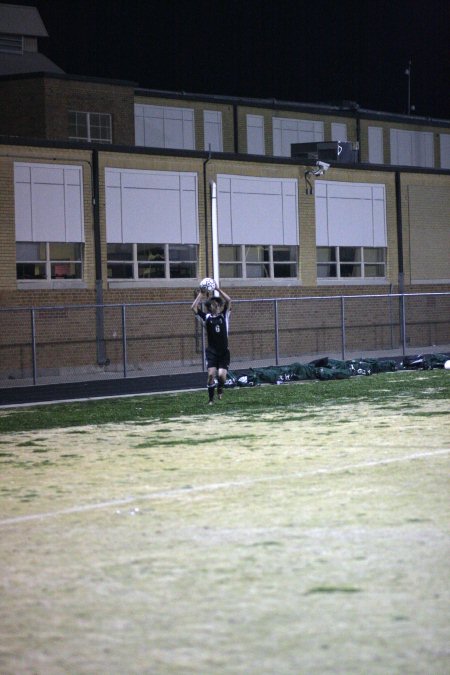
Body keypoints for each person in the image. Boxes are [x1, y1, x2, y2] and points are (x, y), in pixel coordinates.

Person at [191, 283, 232, 404]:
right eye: (213, 304)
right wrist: (201, 294)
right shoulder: (207, 317)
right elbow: (193, 307)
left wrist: (218, 288)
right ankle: (210, 400)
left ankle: (220, 387)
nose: (216, 305)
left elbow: (229, 300)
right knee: (210, 375)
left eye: (217, 304)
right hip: (212, 352)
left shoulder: (224, 316)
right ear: (210, 306)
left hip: (224, 352)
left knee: (221, 376)